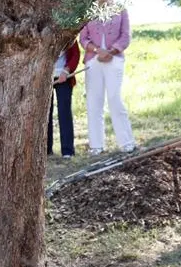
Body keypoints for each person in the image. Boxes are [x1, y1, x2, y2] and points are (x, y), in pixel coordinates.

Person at [80, 3, 136, 155]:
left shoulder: (121, 10)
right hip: (93, 60)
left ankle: (127, 142)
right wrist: (98, 50)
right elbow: (83, 39)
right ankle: (96, 145)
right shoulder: (88, 10)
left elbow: (126, 36)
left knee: (114, 99)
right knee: (93, 101)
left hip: (114, 59)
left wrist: (111, 51)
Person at [48, 38, 80, 159]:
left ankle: (67, 150)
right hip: (45, 78)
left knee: (64, 112)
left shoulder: (69, 34)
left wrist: (66, 71)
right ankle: (46, 149)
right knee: (45, 115)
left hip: (64, 78)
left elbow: (75, 55)